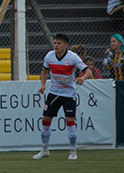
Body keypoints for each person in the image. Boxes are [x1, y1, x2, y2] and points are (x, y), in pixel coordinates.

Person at [33, 33, 91, 161]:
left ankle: (73, 151)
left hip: (69, 94)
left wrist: (82, 78)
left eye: (59, 43)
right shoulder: (49, 56)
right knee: (45, 121)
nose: (56, 46)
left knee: (70, 121)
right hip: (54, 93)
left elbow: (88, 72)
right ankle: (44, 149)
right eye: (55, 43)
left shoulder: (72, 57)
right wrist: (43, 85)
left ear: (66, 45)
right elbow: (44, 71)